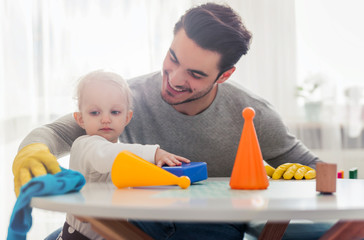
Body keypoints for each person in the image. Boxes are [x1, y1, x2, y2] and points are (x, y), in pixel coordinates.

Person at [13, 3, 331, 240]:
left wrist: (301, 174)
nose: (174, 79)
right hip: (136, 221)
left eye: (195, 74)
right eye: (173, 59)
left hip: (210, 229)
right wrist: (31, 150)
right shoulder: (128, 98)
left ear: (225, 75)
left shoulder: (250, 112)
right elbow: (57, 132)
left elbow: (317, 169)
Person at [57, 70, 190, 240]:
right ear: (80, 119)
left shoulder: (116, 150)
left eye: (115, 112)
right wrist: (154, 152)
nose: (106, 119)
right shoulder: (85, 145)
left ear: (127, 118)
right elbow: (108, 156)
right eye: (95, 113)